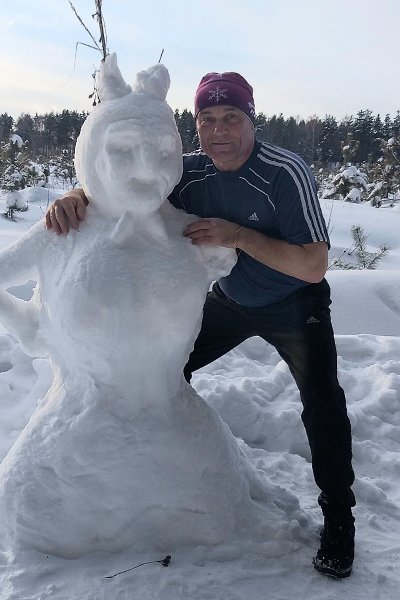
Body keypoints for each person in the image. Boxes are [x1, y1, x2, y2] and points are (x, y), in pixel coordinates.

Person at [46, 71, 356, 578]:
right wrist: (78, 194)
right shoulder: (190, 171)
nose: (219, 131)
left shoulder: (284, 172)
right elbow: (121, 183)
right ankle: (159, 476)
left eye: (231, 118)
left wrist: (239, 235)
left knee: (322, 400)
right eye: (207, 120)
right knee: (160, 372)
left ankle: (340, 517)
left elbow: (314, 265)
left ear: (251, 120)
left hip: (294, 302)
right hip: (229, 301)